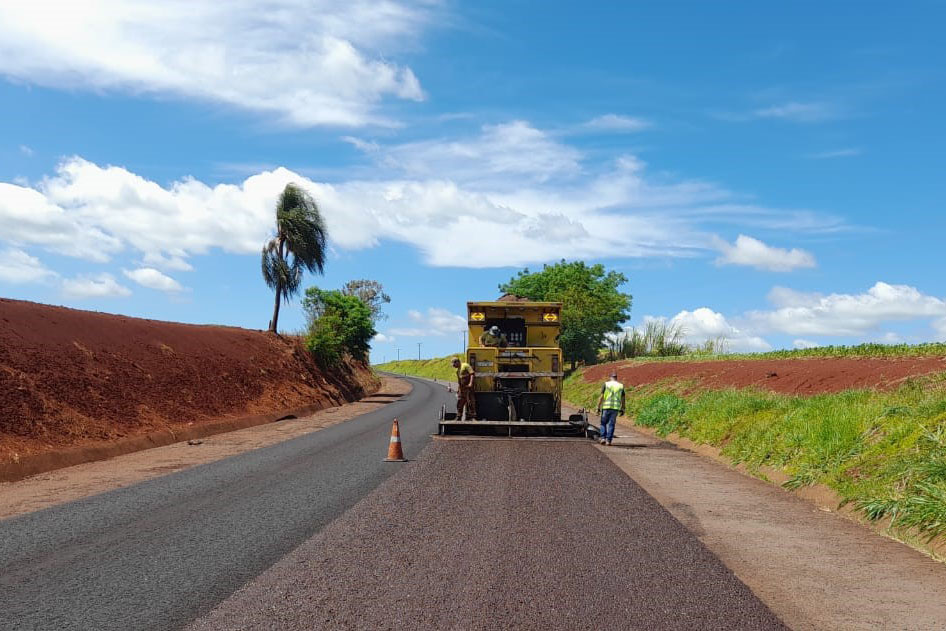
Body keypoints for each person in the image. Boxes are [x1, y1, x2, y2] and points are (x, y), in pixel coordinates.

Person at [596, 370, 625, 446]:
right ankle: (609, 441)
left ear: (610, 377)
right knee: (611, 424)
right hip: (615, 408)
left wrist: (598, 407)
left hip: (606, 407)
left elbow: (601, 397)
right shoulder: (621, 386)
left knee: (603, 423)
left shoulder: (606, 384)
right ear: (616, 377)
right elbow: (623, 398)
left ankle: (603, 438)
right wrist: (623, 408)